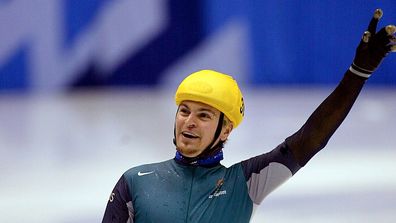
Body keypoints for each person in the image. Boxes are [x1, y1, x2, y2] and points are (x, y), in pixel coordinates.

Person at [102, 9, 395, 223]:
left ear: (226, 130)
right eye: (184, 111)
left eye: (204, 115)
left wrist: (357, 74)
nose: (189, 121)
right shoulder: (135, 181)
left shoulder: (245, 183)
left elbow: (311, 139)